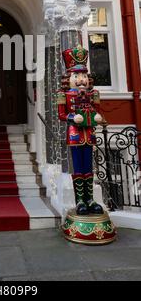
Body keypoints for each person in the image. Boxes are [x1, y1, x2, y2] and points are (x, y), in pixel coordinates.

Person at [57, 45, 104, 215]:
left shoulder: (93, 94)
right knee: (78, 167)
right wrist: (71, 118)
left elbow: (98, 111)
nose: (81, 79)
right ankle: (80, 202)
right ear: (69, 77)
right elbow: (61, 115)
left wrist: (98, 116)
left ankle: (90, 199)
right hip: (75, 134)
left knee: (89, 167)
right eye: (76, 76)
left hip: (89, 133)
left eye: (83, 75)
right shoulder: (64, 95)